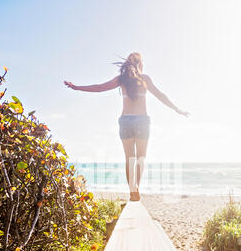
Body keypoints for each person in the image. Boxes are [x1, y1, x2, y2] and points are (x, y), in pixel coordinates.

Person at [64, 52, 189, 201]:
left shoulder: (121, 80)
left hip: (125, 121)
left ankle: (133, 191)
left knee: (129, 158)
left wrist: (78, 88)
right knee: (141, 158)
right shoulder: (145, 79)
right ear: (140, 64)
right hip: (142, 121)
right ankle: (136, 188)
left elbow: (100, 87)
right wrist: (177, 109)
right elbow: (160, 95)